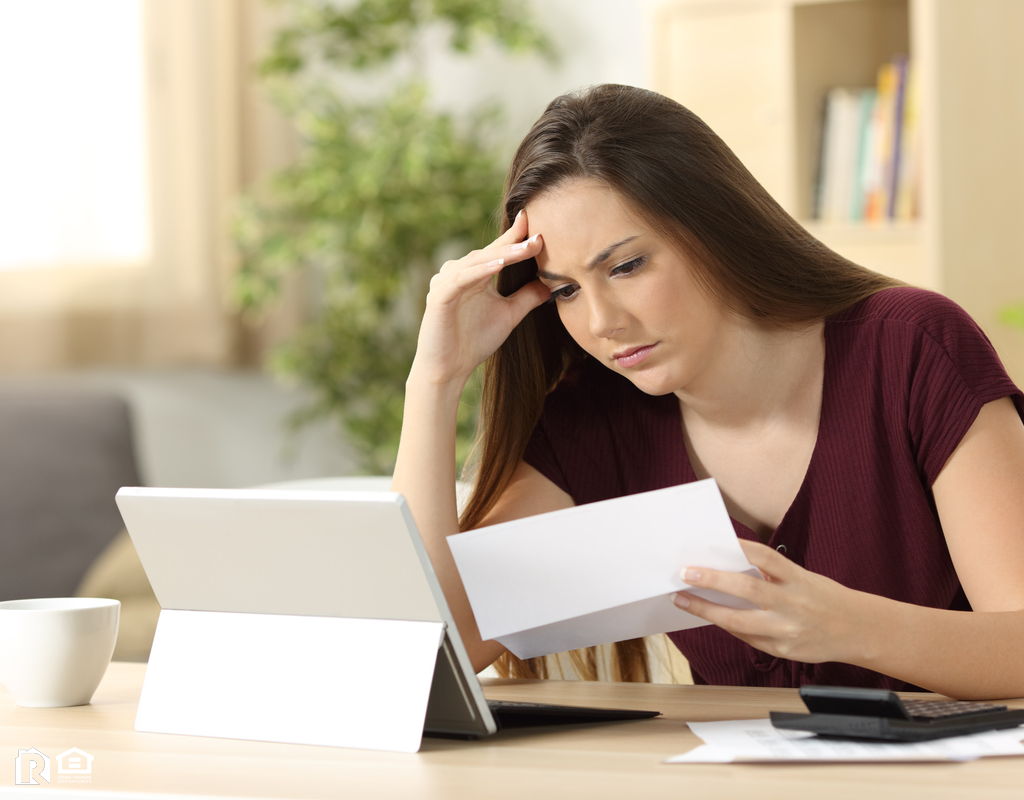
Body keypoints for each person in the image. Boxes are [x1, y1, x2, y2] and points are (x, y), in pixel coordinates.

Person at [391, 84, 1024, 699]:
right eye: (566, 291)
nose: (602, 321)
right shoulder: (592, 418)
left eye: (627, 266)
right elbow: (437, 648)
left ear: (711, 228)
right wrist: (435, 378)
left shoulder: (912, 349)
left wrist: (851, 628)